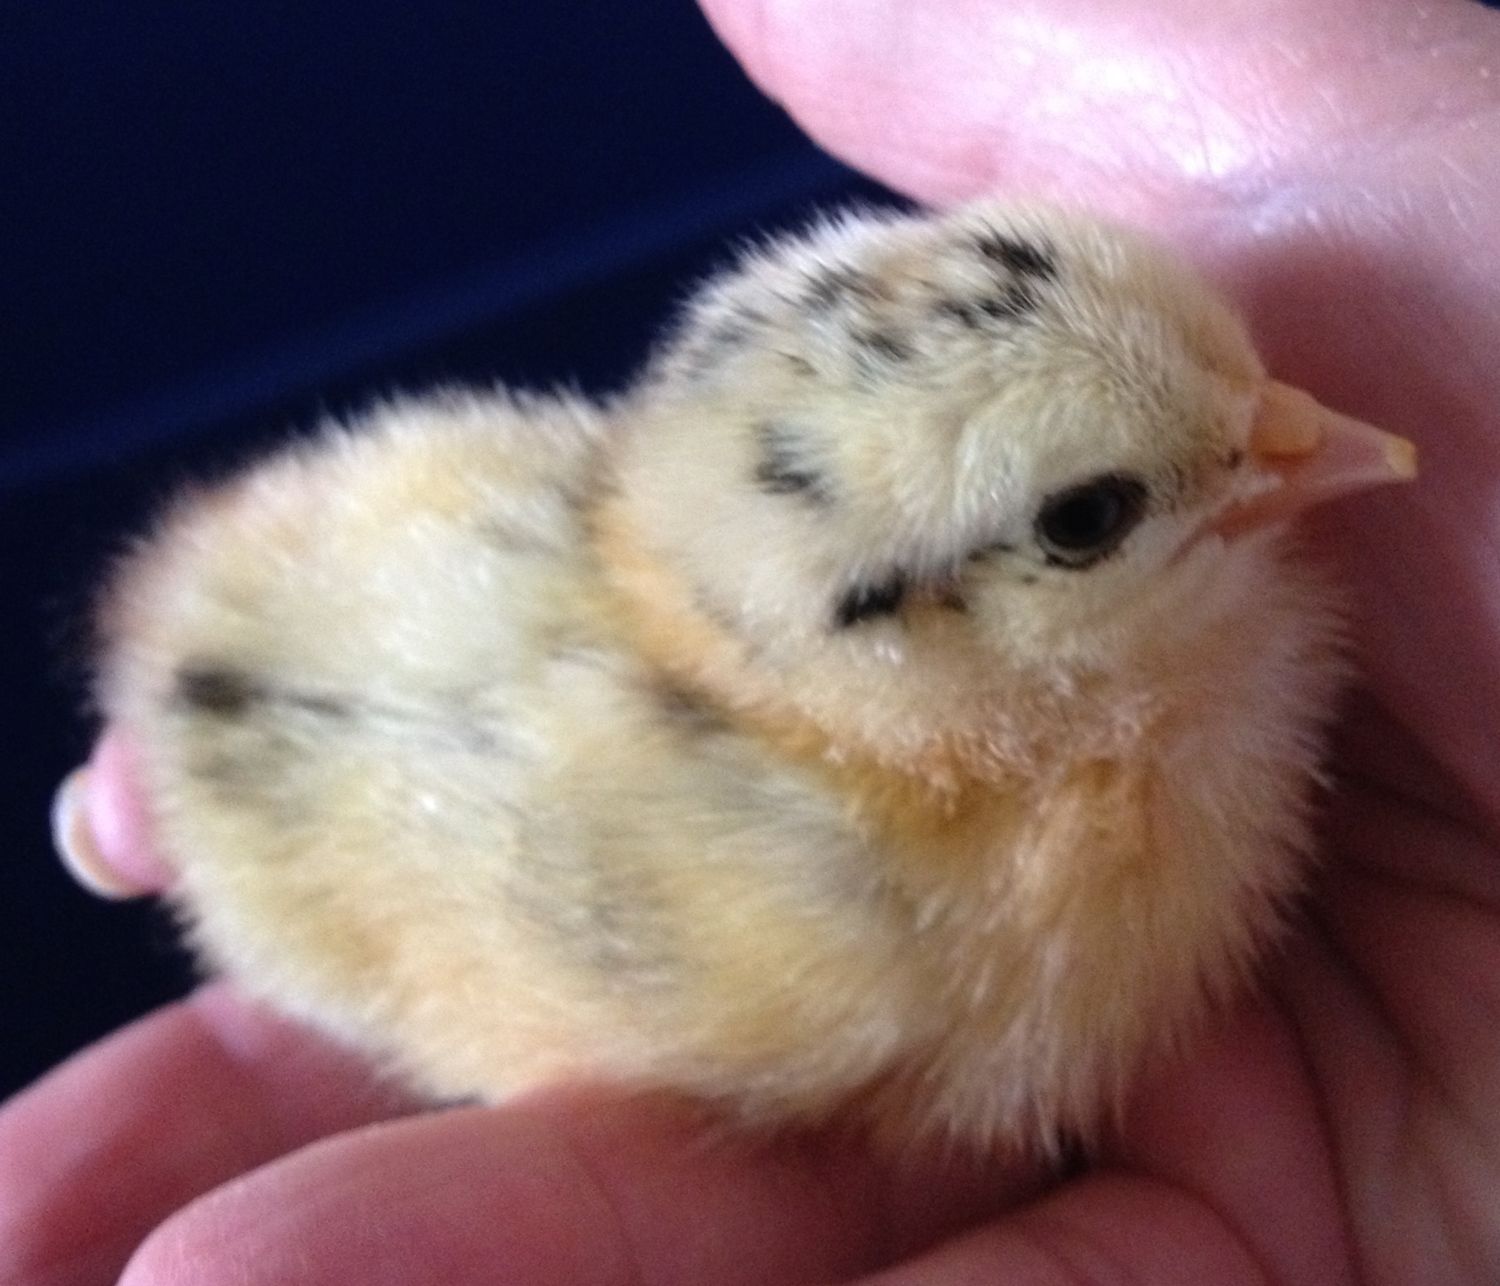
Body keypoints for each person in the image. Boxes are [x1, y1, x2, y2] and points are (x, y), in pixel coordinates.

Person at [5, 0, 1498, 1280]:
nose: (1300, 431)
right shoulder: (862, 909)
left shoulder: (862, 636)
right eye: (1090, 516)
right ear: (912, 632)